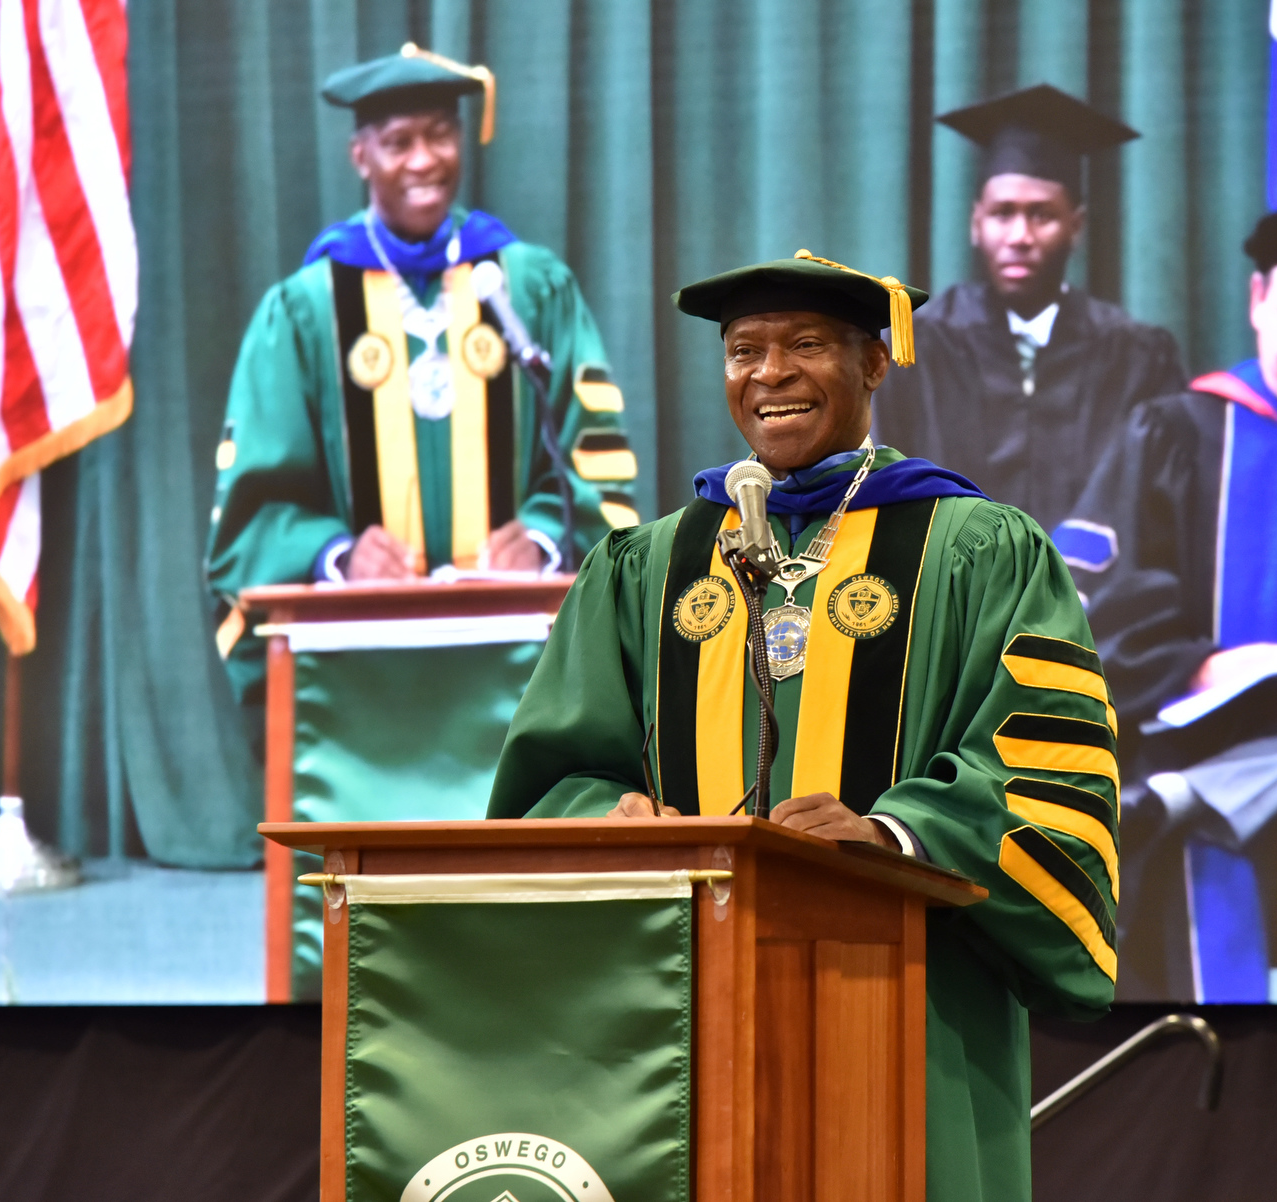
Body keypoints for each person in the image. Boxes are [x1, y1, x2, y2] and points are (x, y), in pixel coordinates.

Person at [488, 253, 1120, 1201]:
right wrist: (607, 819)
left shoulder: (978, 549)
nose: (769, 374)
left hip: (910, 1001)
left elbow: (1041, 765)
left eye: (806, 346)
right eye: (745, 351)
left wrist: (891, 835)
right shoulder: (646, 567)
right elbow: (551, 775)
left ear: (875, 363)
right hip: (677, 1007)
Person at [206, 46, 638, 701]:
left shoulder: (527, 287)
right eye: (398, 142)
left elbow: (591, 457)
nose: (423, 160)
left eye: (439, 135)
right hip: (360, 677)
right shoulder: (306, 310)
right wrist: (336, 557)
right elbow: (254, 509)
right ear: (361, 156)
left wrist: (548, 544)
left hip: (522, 662)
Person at [1064, 205, 1277, 1004]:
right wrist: (1209, 665)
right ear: (1257, 300)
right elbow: (1100, 598)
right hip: (1202, 717)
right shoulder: (1177, 430)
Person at [872, 84, 1184, 536]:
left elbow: (1160, 511)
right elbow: (880, 493)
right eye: (1003, 214)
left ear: (1075, 227)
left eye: (1042, 215)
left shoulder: (1136, 356)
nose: (1020, 235)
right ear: (976, 224)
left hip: (1094, 601)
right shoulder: (914, 350)